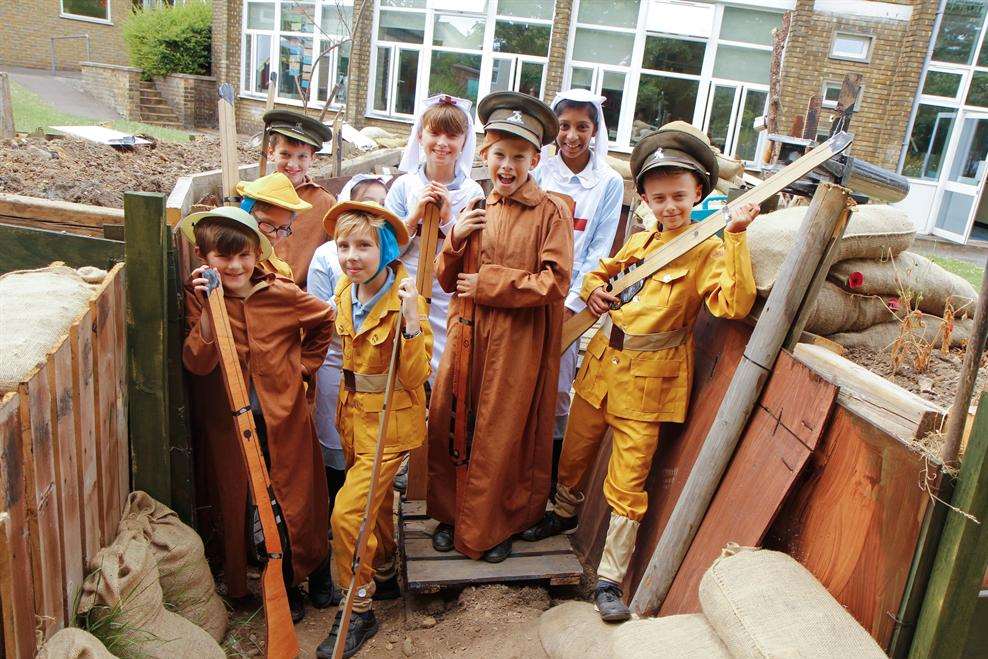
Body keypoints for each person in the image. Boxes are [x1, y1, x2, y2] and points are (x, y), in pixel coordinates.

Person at [521, 126, 759, 622]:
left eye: (679, 196)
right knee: (576, 453)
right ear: (645, 200)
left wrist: (735, 237)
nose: (669, 206)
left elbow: (734, 304)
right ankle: (561, 514)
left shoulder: (708, 251)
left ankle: (609, 578)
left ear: (700, 195)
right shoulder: (643, 241)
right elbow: (599, 270)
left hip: (651, 382)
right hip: (603, 366)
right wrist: (593, 290)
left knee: (629, 482)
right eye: (658, 197)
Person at [426, 91, 574, 563]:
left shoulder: (551, 213)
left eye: (518, 157)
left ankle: (498, 525)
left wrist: (490, 282)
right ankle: (453, 516)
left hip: (516, 342)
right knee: (453, 418)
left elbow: (555, 282)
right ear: (485, 156)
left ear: (535, 159)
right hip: (467, 335)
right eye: (498, 155)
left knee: (502, 429)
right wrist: (454, 239)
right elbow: (447, 280)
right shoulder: (474, 206)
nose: (506, 166)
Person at [178, 206, 335, 623]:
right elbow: (196, 362)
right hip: (232, 424)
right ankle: (271, 581)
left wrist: (303, 367)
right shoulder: (200, 299)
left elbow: (325, 320)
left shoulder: (282, 295)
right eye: (223, 258)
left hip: (284, 418)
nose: (234, 266)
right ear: (203, 257)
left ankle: (315, 571)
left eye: (243, 255)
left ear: (256, 255)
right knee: (250, 500)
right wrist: (209, 308)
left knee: (299, 495)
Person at [315, 201, 432, 658]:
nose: (351, 256)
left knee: (348, 514)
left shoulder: (405, 297)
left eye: (363, 245)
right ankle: (383, 575)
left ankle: (357, 609)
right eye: (344, 246)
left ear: (383, 249)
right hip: (352, 417)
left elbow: (415, 375)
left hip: (391, 421)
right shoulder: (345, 290)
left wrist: (410, 324)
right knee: (376, 503)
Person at [533, 89, 624, 484]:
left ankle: (551, 474)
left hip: (570, 298)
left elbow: (600, 248)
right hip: (530, 290)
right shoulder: (539, 171)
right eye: (564, 126)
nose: (571, 136)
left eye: (582, 127)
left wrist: (571, 300)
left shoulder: (608, 182)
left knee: (556, 386)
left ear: (595, 130)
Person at [307, 174, 391, 525]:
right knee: (333, 437)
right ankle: (333, 507)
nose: (372, 208)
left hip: (372, 378)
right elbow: (318, 311)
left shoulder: (388, 271)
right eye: (366, 200)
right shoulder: (328, 258)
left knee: (366, 459)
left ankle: (358, 523)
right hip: (334, 362)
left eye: (380, 203)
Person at [386, 94, 484, 376]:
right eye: (435, 133)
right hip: (404, 287)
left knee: (441, 369)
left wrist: (447, 220)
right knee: (403, 362)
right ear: (420, 135)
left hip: (446, 293)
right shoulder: (404, 186)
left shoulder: (472, 192)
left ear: (464, 142)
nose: (442, 143)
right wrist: (414, 217)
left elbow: (472, 254)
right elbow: (388, 250)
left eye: (452, 135)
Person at [262, 109, 337, 288]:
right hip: (258, 293)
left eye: (302, 156)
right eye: (285, 154)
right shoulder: (256, 194)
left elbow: (335, 254)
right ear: (271, 152)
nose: (293, 164)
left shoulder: (325, 204)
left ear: (312, 158)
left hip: (302, 298)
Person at [236, 171, 313, 279]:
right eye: (267, 224)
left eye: (283, 228)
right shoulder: (223, 260)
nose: (273, 235)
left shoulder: (281, 272)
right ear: (245, 214)